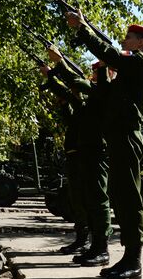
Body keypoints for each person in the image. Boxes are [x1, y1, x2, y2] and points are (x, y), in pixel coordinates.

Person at [66, 11, 143, 279]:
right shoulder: (126, 73)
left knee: (128, 197)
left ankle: (134, 261)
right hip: (117, 136)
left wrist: (83, 30)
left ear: (141, 42)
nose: (124, 40)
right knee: (119, 195)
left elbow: (115, 55)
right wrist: (102, 70)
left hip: (127, 136)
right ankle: (128, 258)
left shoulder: (141, 62)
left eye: (129, 37)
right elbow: (101, 95)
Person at [42, 53, 113, 266]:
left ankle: (101, 247)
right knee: (81, 199)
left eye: (97, 72)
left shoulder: (106, 92)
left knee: (98, 201)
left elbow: (75, 85)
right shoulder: (91, 99)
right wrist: (60, 94)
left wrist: (55, 70)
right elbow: (74, 116)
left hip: (97, 152)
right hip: (82, 152)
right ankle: (88, 242)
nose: (92, 76)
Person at [39, 66, 91, 255]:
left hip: (85, 154)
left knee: (86, 199)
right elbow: (72, 120)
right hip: (74, 153)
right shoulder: (80, 106)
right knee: (75, 197)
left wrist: (51, 77)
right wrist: (63, 105)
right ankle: (81, 238)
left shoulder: (91, 102)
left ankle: (89, 240)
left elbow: (73, 99)